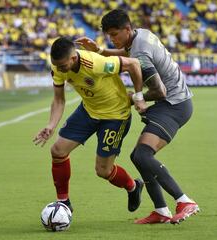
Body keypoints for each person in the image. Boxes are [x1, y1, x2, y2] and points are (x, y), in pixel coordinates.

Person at [76, 9, 199, 224]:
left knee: (142, 155)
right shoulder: (140, 34)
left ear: (126, 29)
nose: (112, 39)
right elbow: (127, 52)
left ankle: (184, 201)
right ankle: (161, 210)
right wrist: (102, 51)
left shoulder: (141, 53)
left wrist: (136, 97)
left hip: (174, 104)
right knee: (138, 156)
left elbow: (159, 91)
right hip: (173, 101)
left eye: (114, 34)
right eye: (108, 36)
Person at [33, 37, 148, 214]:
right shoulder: (58, 66)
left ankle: (133, 186)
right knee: (57, 151)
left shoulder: (97, 63)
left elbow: (133, 64)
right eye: (57, 65)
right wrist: (51, 125)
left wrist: (139, 96)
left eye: (63, 66)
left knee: (103, 171)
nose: (59, 69)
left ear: (73, 58)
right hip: (88, 111)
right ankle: (63, 202)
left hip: (115, 116)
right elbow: (58, 100)